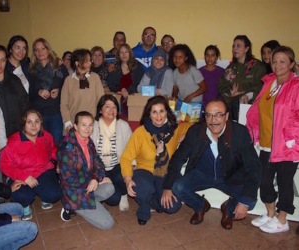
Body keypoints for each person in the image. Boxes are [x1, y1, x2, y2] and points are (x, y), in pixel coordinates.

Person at [162, 99, 261, 230]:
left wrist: (244, 201)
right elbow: (177, 159)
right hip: (202, 174)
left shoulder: (240, 133)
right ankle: (201, 205)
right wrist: (168, 186)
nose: (213, 120)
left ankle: (228, 208)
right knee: (177, 187)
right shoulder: (195, 132)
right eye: (209, 115)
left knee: (250, 201)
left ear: (226, 116)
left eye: (218, 115)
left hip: (231, 176)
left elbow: (254, 167)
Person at [246, 46, 299, 234]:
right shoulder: (269, 83)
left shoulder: (296, 86)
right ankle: (270, 214)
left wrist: (292, 140)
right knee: (265, 181)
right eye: (274, 61)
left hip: (286, 146)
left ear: (292, 64)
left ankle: (282, 219)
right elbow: (261, 111)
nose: (277, 65)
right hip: (266, 144)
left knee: (285, 182)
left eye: (282, 61)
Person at [121, 96, 191, 225]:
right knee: (143, 188)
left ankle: (156, 201)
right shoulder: (141, 132)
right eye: (154, 112)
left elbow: (192, 126)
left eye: (162, 111)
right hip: (144, 171)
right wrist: (128, 180)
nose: (158, 116)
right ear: (149, 114)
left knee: (172, 206)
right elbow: (126, 158)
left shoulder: (174, 129)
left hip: (165, 173)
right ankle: (144, 208)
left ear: (167, 112)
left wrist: (187, 135)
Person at [0, 109, 62, 220]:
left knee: (55, 194)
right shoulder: (12, 141)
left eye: (37, 121)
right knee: (22, 196)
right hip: (20, 173)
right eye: (29, 122)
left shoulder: (46, 136)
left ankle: (44, 196)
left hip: (43, 170)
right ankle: (25, 205)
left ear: (41, 124)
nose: (33, 125)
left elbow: (53, 151)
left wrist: (61, 162)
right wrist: (24, 177)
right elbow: (4, 165)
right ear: (23, 124)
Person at [58, 111, 115, 230]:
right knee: (108, 224)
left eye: (90, 125)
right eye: (83, 125)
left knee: (110, 188)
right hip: (74, 191)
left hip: (88, 185)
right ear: (75, 126)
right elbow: (68, 179)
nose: (87, 128)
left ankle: (89, 205)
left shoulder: (89, 142)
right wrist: (93, 181)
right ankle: (73, 206)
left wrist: (96, 179)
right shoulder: (67, 147)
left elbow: (98, 164)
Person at [91, 94, 132, 211]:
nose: (111, 110)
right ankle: (104, 193)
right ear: (100, 109)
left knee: (120, 177)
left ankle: (124, 194)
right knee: (113, 200)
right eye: (107, 106)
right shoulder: (93, 126)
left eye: (114, 107)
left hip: (118, 164)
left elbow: (131, 148)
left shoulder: (123, 126)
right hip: (99, 166)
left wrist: (132, 165)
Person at [218, 35, 266, 121]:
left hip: (252, 108)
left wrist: (245, 93)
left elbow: (262, 86)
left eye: (238, 46)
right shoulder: (230, 68)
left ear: (246, 49)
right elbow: (221, 86)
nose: (235, 49)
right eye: (233, 46)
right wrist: (230, 93)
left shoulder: (257, 66)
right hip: (232, 109)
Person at [0, 44, 30, 137]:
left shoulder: (14, 79)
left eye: (2, 60)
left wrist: (25, 123)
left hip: (17, 131)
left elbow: (25, 102)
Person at [29, 38, 64, 145]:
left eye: (43, 48)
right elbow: (27, 92)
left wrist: (59, 90)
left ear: (48, 49)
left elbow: (68, 87)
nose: (40, 52)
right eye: (36, 50)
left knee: (56, 144)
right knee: (42, 145)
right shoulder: (31, 69)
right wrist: (38, 92)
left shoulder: (59, 66)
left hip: (55, 113)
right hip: (39, 114)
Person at [60, 49, 104, 135]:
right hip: (73, 126)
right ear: (77, 63)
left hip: (91, 127)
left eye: (89, 60)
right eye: (86, 60)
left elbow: (101, 101)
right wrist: (68, 124)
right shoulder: (69, 80)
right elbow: (64, 105)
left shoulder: (95, 78)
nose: (90, 63)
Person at [107, 43, 144, 114]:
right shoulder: (115, 68)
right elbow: (111, 85)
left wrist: (128, 91)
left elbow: (140, 84)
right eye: (121, 52)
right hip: (118, 100)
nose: (124, 54)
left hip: (134, 99)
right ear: (118, 55)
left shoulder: (138, 66)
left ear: (130, 53)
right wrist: (121, 89)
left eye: (126, 52)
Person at [199, 45, 224, 109]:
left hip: (218, 106)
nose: (210, 58)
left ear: (216, 57)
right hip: (202, 106)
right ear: (204, 56)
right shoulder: (198, 72)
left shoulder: (222, 72)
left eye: (212, 55)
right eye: (207, 55)